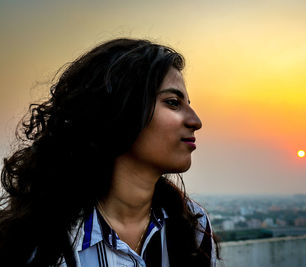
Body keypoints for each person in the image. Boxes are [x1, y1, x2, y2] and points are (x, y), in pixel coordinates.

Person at [0, 38, 219, 266]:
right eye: (173, 102)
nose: (196, 121)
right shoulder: (42, 243)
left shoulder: (192, 227)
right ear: (120, 110)